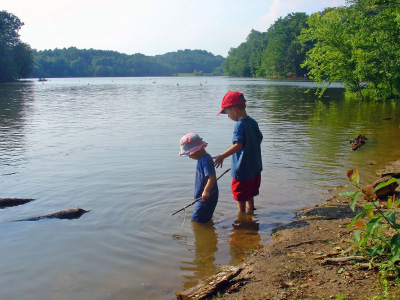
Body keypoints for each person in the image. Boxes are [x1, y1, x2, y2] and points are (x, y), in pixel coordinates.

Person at [214, 91, 263, 213]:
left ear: (234, 110)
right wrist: (250, 149)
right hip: (255, 168)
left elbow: (238, 145)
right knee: (250, 192)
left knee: (240, 195)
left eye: (227, 113)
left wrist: (222, 156)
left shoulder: (239, 125)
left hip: (242, 170)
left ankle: (242, 218)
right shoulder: (253, 122)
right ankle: (251, 210)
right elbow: (260, 139)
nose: (228, 116)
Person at [179, 133, 219, 223]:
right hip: (204, 197)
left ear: (196, 150)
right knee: (203, 218)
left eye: (190, 154)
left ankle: (204, 234)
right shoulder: (202, 158)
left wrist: (206, 191)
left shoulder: (205, 159)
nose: (189, 156)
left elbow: (212, 177)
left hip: (207, 197)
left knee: (196, 220)